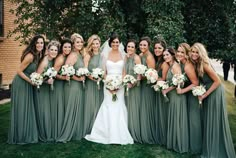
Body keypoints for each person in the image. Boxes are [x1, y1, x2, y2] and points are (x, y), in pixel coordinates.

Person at [85, 33, 134, 145]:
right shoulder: (104, 55)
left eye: (117, 42)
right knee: (108, 106)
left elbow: (124, 72)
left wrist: (119, 85)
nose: (115, 44)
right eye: (113, 42)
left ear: (119, 43)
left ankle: (120, 134)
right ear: (110, 43)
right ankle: (105, 134)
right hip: (108, 83)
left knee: (119, 106)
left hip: (120, 85)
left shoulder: (124, 55)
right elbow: (104, 72)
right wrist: (109, 85)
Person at [190, 43, 236, 158]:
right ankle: (210, 146)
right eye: (193, 51)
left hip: (214, 92)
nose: (194, 54)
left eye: (197, 52)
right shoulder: (196, 64)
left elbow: (217, 81)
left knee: (214, 119)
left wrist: (204, 94)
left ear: (201, 53)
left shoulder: (204, 64)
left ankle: (215, 149)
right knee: (209, 118)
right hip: (208, 90)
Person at [8, 35, 46, 144]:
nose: (40, 45)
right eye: (38, 43)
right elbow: (19, 71)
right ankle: (20, 136)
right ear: (34, 44)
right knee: (22, 108)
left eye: (42, 43)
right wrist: (31, 81)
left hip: (28, 82)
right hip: (21, 82)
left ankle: (26, 133)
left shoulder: (38, 55)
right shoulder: (30, 56)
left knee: (27, 108)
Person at [57, 33, 85, 142]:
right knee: (72, 109)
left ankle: (75, 132)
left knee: (76, 109)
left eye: (81, 42)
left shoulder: (79, 54)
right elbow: (67, 71)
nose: (80, 44)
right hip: (72, 86)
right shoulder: (73, 55)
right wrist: (78, 79)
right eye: (77, 42)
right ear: (73, 44)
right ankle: (68, 132)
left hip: (78, 86)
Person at [176, 43, 202, 154]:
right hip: (187, 95)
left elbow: (195, 82)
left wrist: (182, 91)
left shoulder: (187, 65)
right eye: (178, 51)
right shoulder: (180, 63)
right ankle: (190, 144)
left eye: (182, 52)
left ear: (187, 54)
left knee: (194, 121)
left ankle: (196, 148)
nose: (179, 54)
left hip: (192, 96)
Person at [162, 48, 189, 153]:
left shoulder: (175, 66)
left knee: (177, 118)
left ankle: (178, 143)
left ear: (172, 55)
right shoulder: (171, 65)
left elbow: (179, 83)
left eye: (167, 54)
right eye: (164, 55)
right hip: (172, 95)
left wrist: (166, 90)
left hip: (177, 96)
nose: (165, 57)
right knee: (173, 117)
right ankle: (173, 142)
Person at [34, 40, 60, 142]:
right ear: (48, 50)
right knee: (43, 111)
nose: (54, 52)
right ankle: (44, 134)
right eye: (52, 50)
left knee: (48, 111)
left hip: (48, 89)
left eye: (56, 50)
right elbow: (37, 77)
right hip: (42, 89)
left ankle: (49, 132)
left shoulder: (52, 60)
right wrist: (46, 81)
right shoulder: (45, 61)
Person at [51, 38, 72, 140]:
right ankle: (57, 132)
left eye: (69, 47)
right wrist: (64, 77)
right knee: (58, 107)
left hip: (62, 85)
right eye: (65, 47)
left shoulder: (65, 57)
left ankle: (59, 130)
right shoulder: (60, 58)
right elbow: (53, 74)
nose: (67, 49)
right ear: (62, 48)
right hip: (58, 85)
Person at [83, 34, 104, 135]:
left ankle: (99, 128)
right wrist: (93, 78)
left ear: (100, 44)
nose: (95, 45)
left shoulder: (103, 55)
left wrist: (101, 77)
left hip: (100, 84)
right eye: (93, 44)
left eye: (97, 43)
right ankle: (89, 127)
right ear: (90, 45)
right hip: (91, 84)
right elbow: (85, 70)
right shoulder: (88, 55)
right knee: (91, 105)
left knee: (99, 105)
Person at [123, 39, 142, 143]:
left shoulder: (136, 58)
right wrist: (125, 81)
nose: (129, 48)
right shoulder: (126, 57)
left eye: (132, 47)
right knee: (127, 109)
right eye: (128, 46)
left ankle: (134, 132)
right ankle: (127, 131)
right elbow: (124, 71)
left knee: (133, 110)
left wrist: (132, 84)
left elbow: (139, 76)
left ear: (135, 49)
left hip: (134, 88)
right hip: (127, 86)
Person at [139, 36, 156, 144]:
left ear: (148, 46)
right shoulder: (141, 55)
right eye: (140, 45)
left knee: (146, 109)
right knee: (142, 108)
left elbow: (152, 75)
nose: (142, 46)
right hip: (140, 85)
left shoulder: (149, 57)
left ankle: (147, 133)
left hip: (147, 86)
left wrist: (141, 76)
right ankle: (141, 131)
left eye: (144, 45)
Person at [153, 38, 169, 145]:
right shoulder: (157, 60)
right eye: (155, 48)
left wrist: (152, 77)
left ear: (164, 49)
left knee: (162, 113)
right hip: (157, 90)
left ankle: (163, 137)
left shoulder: (164, 63)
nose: (157, 50)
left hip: (163, 91)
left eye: (159, 48)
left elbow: (164, 79)